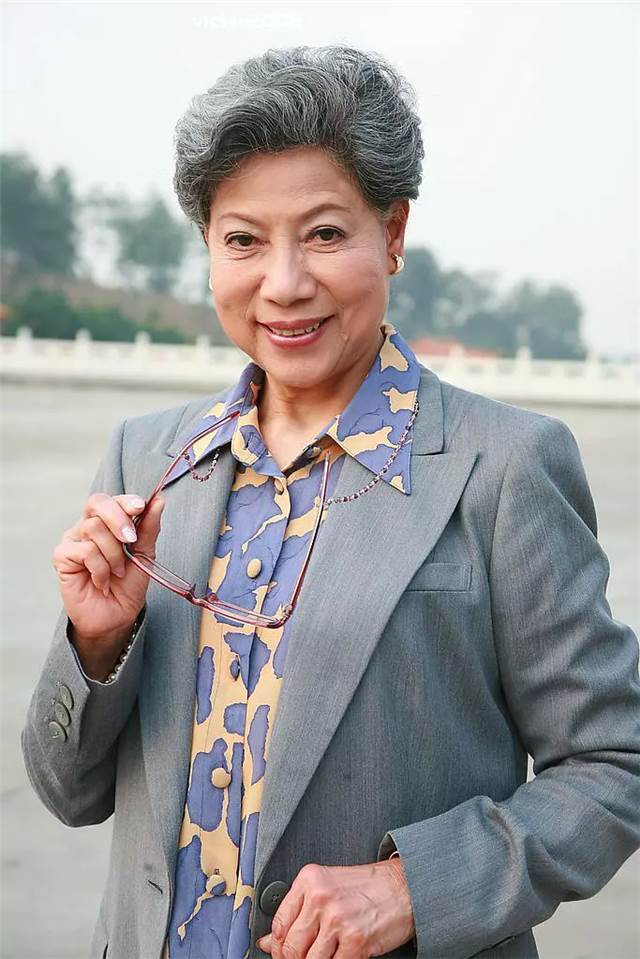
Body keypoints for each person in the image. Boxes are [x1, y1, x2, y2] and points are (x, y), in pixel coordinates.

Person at [22, 45, 640, 959]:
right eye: (243, 240)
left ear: (392, 232)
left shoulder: (504, 466)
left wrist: (412, 887)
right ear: (207, 249)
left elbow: (613, 764)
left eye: (322, 233)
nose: (283, 283)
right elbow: (67, 790)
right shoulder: (147, 459)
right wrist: (97, 641)